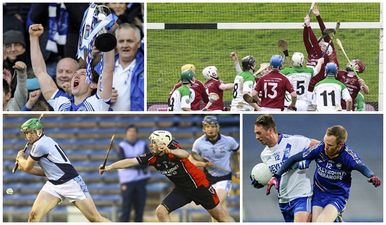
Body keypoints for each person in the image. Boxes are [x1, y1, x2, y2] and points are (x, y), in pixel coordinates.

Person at [99, 130, 235, 222]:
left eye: (153, 142)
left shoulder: (173, 149)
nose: (151, 145)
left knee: (221, 217)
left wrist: (170, 150)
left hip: (199, 186)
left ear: (162, 143)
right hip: (182, 190)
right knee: (161, 211)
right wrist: (109, 167)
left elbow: (185, 154)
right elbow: (130, 161)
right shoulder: (152, 157)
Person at [269, 125, 381, 222]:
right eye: (325, 142)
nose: (325, 147)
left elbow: (361, 166)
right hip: (318, 194)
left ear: (340, 145)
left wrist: (372, 176)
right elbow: (293, 159)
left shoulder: (348, 156)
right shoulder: (320, 148)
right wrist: (277, 176)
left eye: (330, 145)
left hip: (337, 196)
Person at [15, 118, 110, 222]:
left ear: (38, 132)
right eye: (25, 133)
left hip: (71, 182)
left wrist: (20, 157)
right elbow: (45, 172)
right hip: (53, 184)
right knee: (34, 216)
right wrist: (24, 168)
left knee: (95, 219)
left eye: (29, 133)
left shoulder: (40, 145)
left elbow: (28, 165)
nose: (27, 136)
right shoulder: (41, 142)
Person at [29, 23, 114, 111]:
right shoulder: (62, 103)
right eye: (75, 74)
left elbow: (108, 69)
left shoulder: (98, 103)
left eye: (83, 74)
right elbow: (40, 72)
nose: (76, 76)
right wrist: (34, 38)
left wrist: (107, 40)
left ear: (93, 84)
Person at [251, 114, 320, 222]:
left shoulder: (295, 141)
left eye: (259, 133)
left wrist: (307, 160)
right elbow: (275, 175)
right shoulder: (264, 155)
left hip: (301, 196)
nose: (256, 137)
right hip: (283, 201)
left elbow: (320, 146)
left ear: (269, 130)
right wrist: (261, 181)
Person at [188, 116, 239, 221]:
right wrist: (202, 164)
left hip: (224, 178)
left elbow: (238, 151)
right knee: (219, 212)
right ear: (203, 129)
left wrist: (240, 169)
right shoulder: (198, 143)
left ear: (218, 127)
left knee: (216, 206)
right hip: (209, 179)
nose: (210, 129)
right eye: (207, 126)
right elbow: (191, 160)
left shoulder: (228, 141)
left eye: (212, 126)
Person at [117, 125, 150, 222]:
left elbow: (147, 161)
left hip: (141, 179)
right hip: (127, 180)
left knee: (140, 208)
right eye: (130, 131)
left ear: (137, 133)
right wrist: (138, 161)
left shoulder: (143, 144)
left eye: (134, 131)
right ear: (126, 133)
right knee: (126, 208)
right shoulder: (122, 145)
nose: (132, 133)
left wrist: (130, 162)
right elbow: (122, 162)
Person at [111, 23, 144, 111]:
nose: (125, 45)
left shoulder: (145, 68)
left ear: (138, 44)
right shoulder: (103, 68)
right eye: (121, 41)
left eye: (130, 41)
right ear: (116, 44)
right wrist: (103, 98)